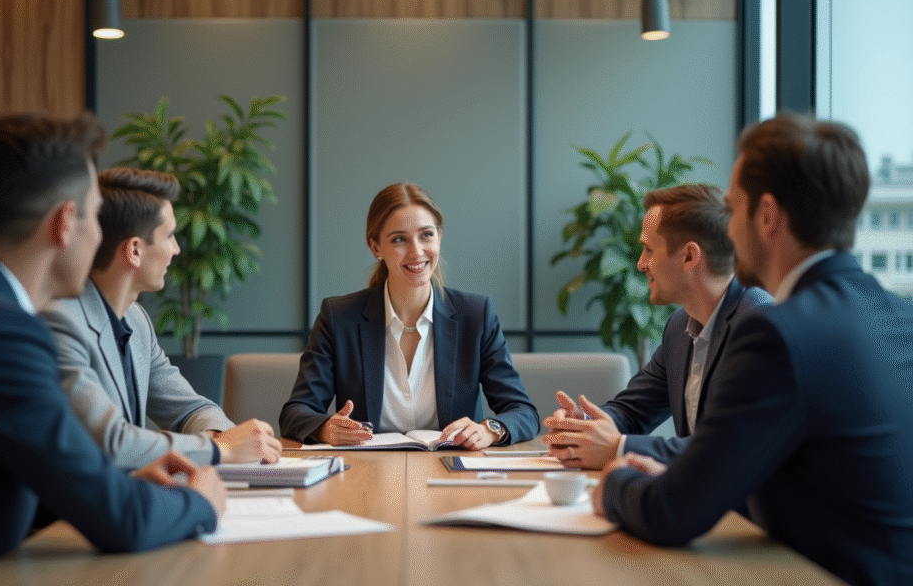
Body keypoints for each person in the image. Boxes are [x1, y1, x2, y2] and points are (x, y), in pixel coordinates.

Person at [593, 113, 913, 585]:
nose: (728, 228)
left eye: (733, 206)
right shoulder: (900, 316)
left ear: (766, 216)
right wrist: (675, 475)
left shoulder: (780, 335)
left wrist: (616, 480)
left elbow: (672, 515)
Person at [0, 112, 226, 586]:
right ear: (64, 223)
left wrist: (103, 486)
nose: (103, 235)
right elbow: (124, 521)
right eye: (95, 215)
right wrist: (201, 500)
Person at [40, 167, 281, 469]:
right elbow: (113, 443)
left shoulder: (137, 321)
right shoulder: (60, 321)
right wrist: (219, 448)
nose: (177, 249)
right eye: (169, 236)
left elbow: (190, 408)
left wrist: (221, 435)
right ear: (135, 251)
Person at [279, 182, 540, 448]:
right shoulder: (339, 318)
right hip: (365, 472)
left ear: (439, 236)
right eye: (399, 239)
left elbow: (523, 411)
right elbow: (296, 412)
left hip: (454, 471)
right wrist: (324, 429)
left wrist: (490, 429)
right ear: (375, 247)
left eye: (426, 235)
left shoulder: (476, 315)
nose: (416, 252)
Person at [542, 184, 771, 468]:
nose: (640, 264)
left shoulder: (760, 325)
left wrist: (619, 447)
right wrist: (585, 426)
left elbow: (730, 445)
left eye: (649, 249)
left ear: (689, 256)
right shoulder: (679, 327)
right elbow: (633, 410)